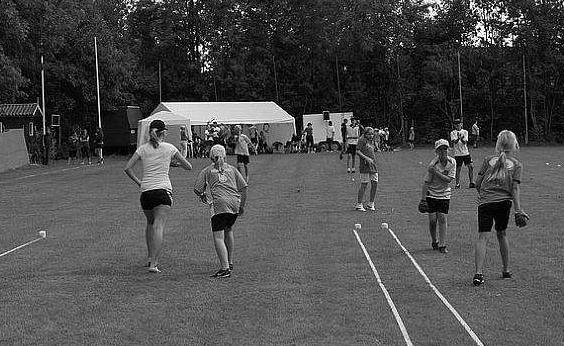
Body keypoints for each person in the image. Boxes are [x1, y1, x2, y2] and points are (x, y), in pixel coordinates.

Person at [124, 120, 192, 273]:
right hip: (162, 191)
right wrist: (174, 163)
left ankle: (150, 257)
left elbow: (127, 168)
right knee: (158, 226)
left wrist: (139, 182)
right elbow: (188, 166)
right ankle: (154, 264)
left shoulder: (142, 149)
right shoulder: (169, 148)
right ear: (163, 132)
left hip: (146, 192)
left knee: (150, 223)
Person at [473, 130, 527, 286]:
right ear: (513, 145)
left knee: (483, 236)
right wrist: (518, 210)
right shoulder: (517, 165)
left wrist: (484, 196)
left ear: (498, 144)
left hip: (485, 203)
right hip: (504, 203)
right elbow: (514, 189)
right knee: (502, 234)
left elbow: (477, 183)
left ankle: (478, 273)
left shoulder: (487, 159)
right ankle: (506, 269)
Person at [194, 144, 248, 278]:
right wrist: (242, 206)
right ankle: (229, 262)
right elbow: (244, 188)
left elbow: (197, 188)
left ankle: (224, 269)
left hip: (219, 205)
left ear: (211, 157)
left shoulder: (207, 171)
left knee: (218, 236)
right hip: (234, 204)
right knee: (228, 230)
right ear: (224, 155)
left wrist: (202, 196)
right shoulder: (232, 169)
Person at [420, 139, 456, 253]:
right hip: (432, 194)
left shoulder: (452, 162)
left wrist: (435, 172)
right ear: (436, 151)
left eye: (445, 149)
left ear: (448, 150)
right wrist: (423, 199)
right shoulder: (432, 164)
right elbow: (426, 183)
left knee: (442, 218)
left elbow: (448, 180)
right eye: (440, 149)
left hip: (444, 194)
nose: (443, 151)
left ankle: (442, 245)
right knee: (432, 221)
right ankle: (434, 240)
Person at [355, 127, 378, 212]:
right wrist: (366, 158)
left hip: (373, 165)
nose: (371, 135)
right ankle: (359, 204)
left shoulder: (371, 140)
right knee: (364, 184)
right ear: (365, 134)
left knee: (375, 183)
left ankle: (371, 204)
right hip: (365, 165)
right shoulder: (362, 140)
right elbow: (357, 151)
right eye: (369, 134)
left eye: (372, 134)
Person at [450, 119, 475, 189]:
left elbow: (465, 142)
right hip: (458, 154)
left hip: (465, 153)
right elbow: (454, 142)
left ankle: (471, 183)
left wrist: (461, 138)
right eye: (456, 124)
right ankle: (457, 184)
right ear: (454, 125)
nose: (457, 125)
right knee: (458, 169)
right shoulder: (453, 133)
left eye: (459, 123)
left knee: (471, 167)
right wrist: (459, 138)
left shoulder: (465, 132)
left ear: (461, 124)